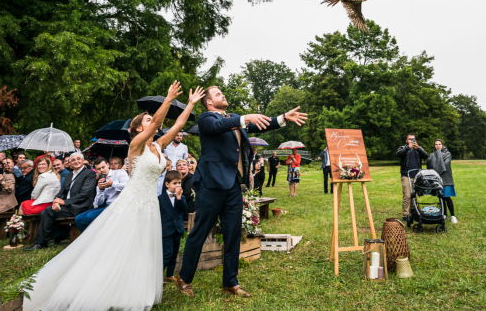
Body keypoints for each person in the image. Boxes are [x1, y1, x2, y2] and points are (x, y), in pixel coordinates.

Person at [24, 81, 203, 311]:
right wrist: (168, 99)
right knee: (118, 246)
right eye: (147, 120)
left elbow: (177, 124)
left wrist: (189, 104)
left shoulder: (158, 145)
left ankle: (135, 290)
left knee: (143, 248)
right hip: (132, 203)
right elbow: (159, 121)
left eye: (151, 119)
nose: (153, 122)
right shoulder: (136, 145)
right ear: (138, 128)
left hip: (149, 205)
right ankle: (102, 287)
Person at [176, 85, 307, 299]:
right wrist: (244, 118)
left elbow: (261, 125)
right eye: (218, 94)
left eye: (222, 92)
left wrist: (283, 117)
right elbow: (222, 125)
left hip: (233, 186)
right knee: (200, 232)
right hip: (210, 185)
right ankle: (184, 278)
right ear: (209, 102)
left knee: (233, 233)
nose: (223, 95)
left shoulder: (235, 119)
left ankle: (230, 282)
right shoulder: (206, 119)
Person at [23, 152, 96, 251]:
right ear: (69, 162)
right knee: (44, 212)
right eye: (73, 160)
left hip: (81, 206)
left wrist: (64, 202)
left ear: (83, 161)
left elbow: (85, 194)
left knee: (48, 211)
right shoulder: (70, 175)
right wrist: (56, 201)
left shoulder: (89, 173)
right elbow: (62, 191)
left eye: (78, 159)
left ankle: (41, 243)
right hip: (68, 206)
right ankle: (60, 234)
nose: (76, 161)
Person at [74, 157, 129, 232]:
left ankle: (99, 239)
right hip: (106, 206)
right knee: (78, 218)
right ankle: (90, 240)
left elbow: (128, 186)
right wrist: (100, 190)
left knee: (90, 216)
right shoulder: (100, 181)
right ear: (96, 170)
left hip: (119, 205)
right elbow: (98, 203)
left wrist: (112, 184)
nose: (102, 170)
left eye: (103, 167)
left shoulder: (119, 172)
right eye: (99, 169)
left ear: (107, 165)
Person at [159, 170, 188, 284]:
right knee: (167, 253)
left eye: (179, 183)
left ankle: (169, 274)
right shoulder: (160, 198)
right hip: (166, 230)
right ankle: (158, 276)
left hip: (177, 229)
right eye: (175, 183)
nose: (178, 185)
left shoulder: (181, 197)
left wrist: (179, 198)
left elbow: (183, 209)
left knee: (174, 253)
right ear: (167, 184)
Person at [397, 133, 428, 223]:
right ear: (407, 141)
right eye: (410, 139)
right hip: (406, 175)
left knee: (414, 196)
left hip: (417, 175)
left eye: (413, 139)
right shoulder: (403, 148)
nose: (412, 141)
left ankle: (413, 213)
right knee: (407, 195)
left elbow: (426, 156)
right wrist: (408, 147)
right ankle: (405, 215)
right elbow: (398, 154)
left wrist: (418, 148)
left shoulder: (418, 149)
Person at [428, 139, 457, 224]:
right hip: (437, 179)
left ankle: (453, 215)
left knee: (447, 197)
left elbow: (445, 165)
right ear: (434, 146)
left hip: (446, 179)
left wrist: (439, 155)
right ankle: (444, 214)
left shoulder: (448, 154)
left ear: (442, 145)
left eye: (439, 144)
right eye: (436, 144)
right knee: (441, 198)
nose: (438, 146)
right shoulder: (432, 155)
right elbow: (430, 165)